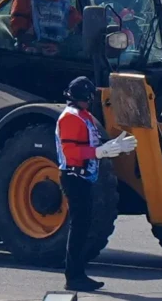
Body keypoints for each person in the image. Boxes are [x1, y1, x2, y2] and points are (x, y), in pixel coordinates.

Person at [56, 76, 138, 291]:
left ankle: (77, 273)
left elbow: (91, 142)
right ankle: (74, 276)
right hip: (75, 176)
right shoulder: (71, 117)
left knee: (83, 225)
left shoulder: (83, 116)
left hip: (83, 176)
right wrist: (99, 152)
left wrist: (112, 145)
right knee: (79, 226)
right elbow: (71, 152)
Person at [10, 0, 82, 56]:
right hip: (32, 54)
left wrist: (61, 47)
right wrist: (38, 46)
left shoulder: (62, 0)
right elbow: (19, 32)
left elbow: (77, 27)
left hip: (59, 54)